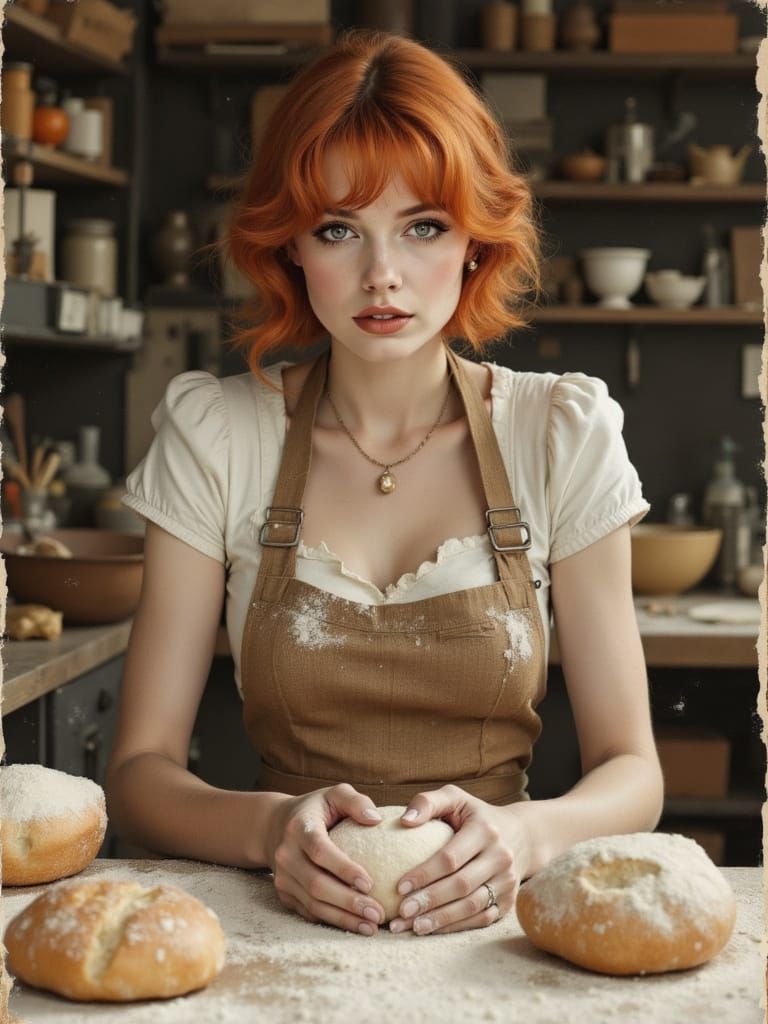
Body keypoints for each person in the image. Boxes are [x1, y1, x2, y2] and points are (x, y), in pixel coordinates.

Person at [106, 29, 663, 940]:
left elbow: (632, 770)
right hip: (279, 918)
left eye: (423, 226)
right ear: (290, 245)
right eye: (339, 230)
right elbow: (139, 774)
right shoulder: (220, 437)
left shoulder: (557, 434)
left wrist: (524, 836)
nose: (382, 276)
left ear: (475, 239)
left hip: (491, 926)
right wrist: (271, 829)